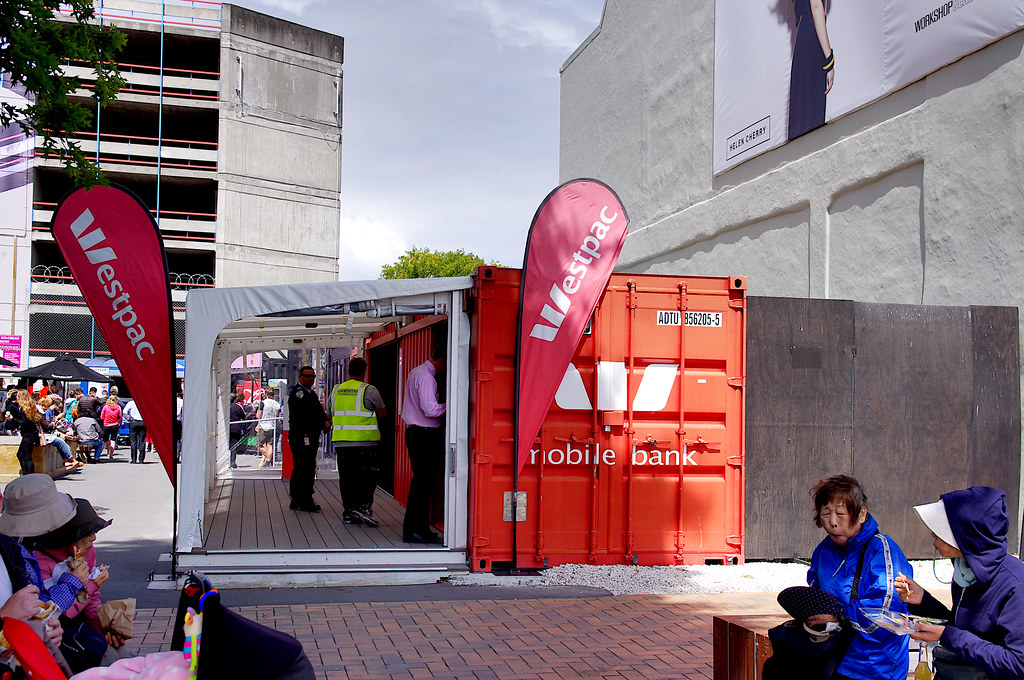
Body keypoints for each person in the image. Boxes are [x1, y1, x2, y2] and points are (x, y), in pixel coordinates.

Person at [894, 486, 1024, 679]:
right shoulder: (966, 570)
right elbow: (965, 629)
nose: (933, 535)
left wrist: (947, 636)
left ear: (966, 535)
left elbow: (1018, 663)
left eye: (941, 529)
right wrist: (924, 602)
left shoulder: (1014, 583)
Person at [792, 474, 913, 680]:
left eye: (840, 513)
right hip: (833, 657)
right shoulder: (824, 550)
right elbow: (817, 591)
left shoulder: (882, 551)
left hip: (874, 667)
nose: (832, 523)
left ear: (861, 514)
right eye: (826, 513)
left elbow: (883, 616)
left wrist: (840, 615)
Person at [33, 498, 123, 672]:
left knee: (124, 654)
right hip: (59, 634)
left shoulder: (88, 553)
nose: (94, 538)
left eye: (95, 531)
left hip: (83, 627)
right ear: (68, 536)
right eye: (87, 533)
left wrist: (104, 629)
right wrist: (90, 585)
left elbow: (92, 601)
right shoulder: (41, 563)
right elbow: (54, 614)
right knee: (111, 662)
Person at [330, 357, 386, 528]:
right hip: (365, 443)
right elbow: (382, 414)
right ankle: (364, 508)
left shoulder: (336, 389)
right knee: (368, 477)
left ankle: (349, 513)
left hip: (342, 443)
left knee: (346, 479)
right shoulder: (369, 390)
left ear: (348, 371)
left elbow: (329, 413)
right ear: (364, 371)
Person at [401, 345, 446, 544]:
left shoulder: (416, 371)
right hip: (424, 434)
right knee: (422, 484)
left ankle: (417, 528)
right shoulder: (428, 377)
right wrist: (451, 405)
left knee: (420, 483)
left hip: (416, 433)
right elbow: (430, 410)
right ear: (442, 360)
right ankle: (414, 530)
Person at [788, 0, 834, 140]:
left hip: (806, 39)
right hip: (811, 42)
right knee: (810, 120)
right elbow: (816, 8)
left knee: (804, 117)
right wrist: (829, 61)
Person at [287, 366, 329, 512]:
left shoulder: (310, 393)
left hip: (309, 436)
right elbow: (307, 415)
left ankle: (299, 499)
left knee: (305, 467)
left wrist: (325, 420)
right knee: (304, 468)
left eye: (313, 376)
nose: (311, 379)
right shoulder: (299, 394)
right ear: (300, 377)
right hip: (302, 436)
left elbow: (318, 410)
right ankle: (303, 499)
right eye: (307, 376)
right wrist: (321, 422)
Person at [5, 389, 43, 474]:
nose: (16, 398)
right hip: (32, 434)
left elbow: (24, 422)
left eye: (18, 396)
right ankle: (27, 473)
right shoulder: (30, 407)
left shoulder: (23, 409)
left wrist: (12, 419)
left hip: (28, 435)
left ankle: (28, 474)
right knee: (21, 455)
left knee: (26, 456)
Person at [256, 387, 281, 469]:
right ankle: (268, 461)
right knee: (270, 445)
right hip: (272, 426)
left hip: (263, 425)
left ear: (266, 394)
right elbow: (279, 418)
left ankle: (269, 457)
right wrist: (275, 424)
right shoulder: (277, 404)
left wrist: (258, 424)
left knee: (258, 445)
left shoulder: (263, 403)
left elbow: (258, 415)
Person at [123, 398, 146, 464]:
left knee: (133, 441)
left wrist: (128, 419)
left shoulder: (131, 403)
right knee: (142, 441)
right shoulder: (144, 403)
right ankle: (141, 459)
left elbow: (124, 412)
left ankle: (134, 459)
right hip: (142, 422)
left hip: (133, 422)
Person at [228, 393, 246, 469]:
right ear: (235, 399)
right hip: (236, 428)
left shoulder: (226, 407)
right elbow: (243, 416)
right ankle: (232, 462)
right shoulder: (238, 407)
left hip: (226, 427)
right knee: (233, 445)